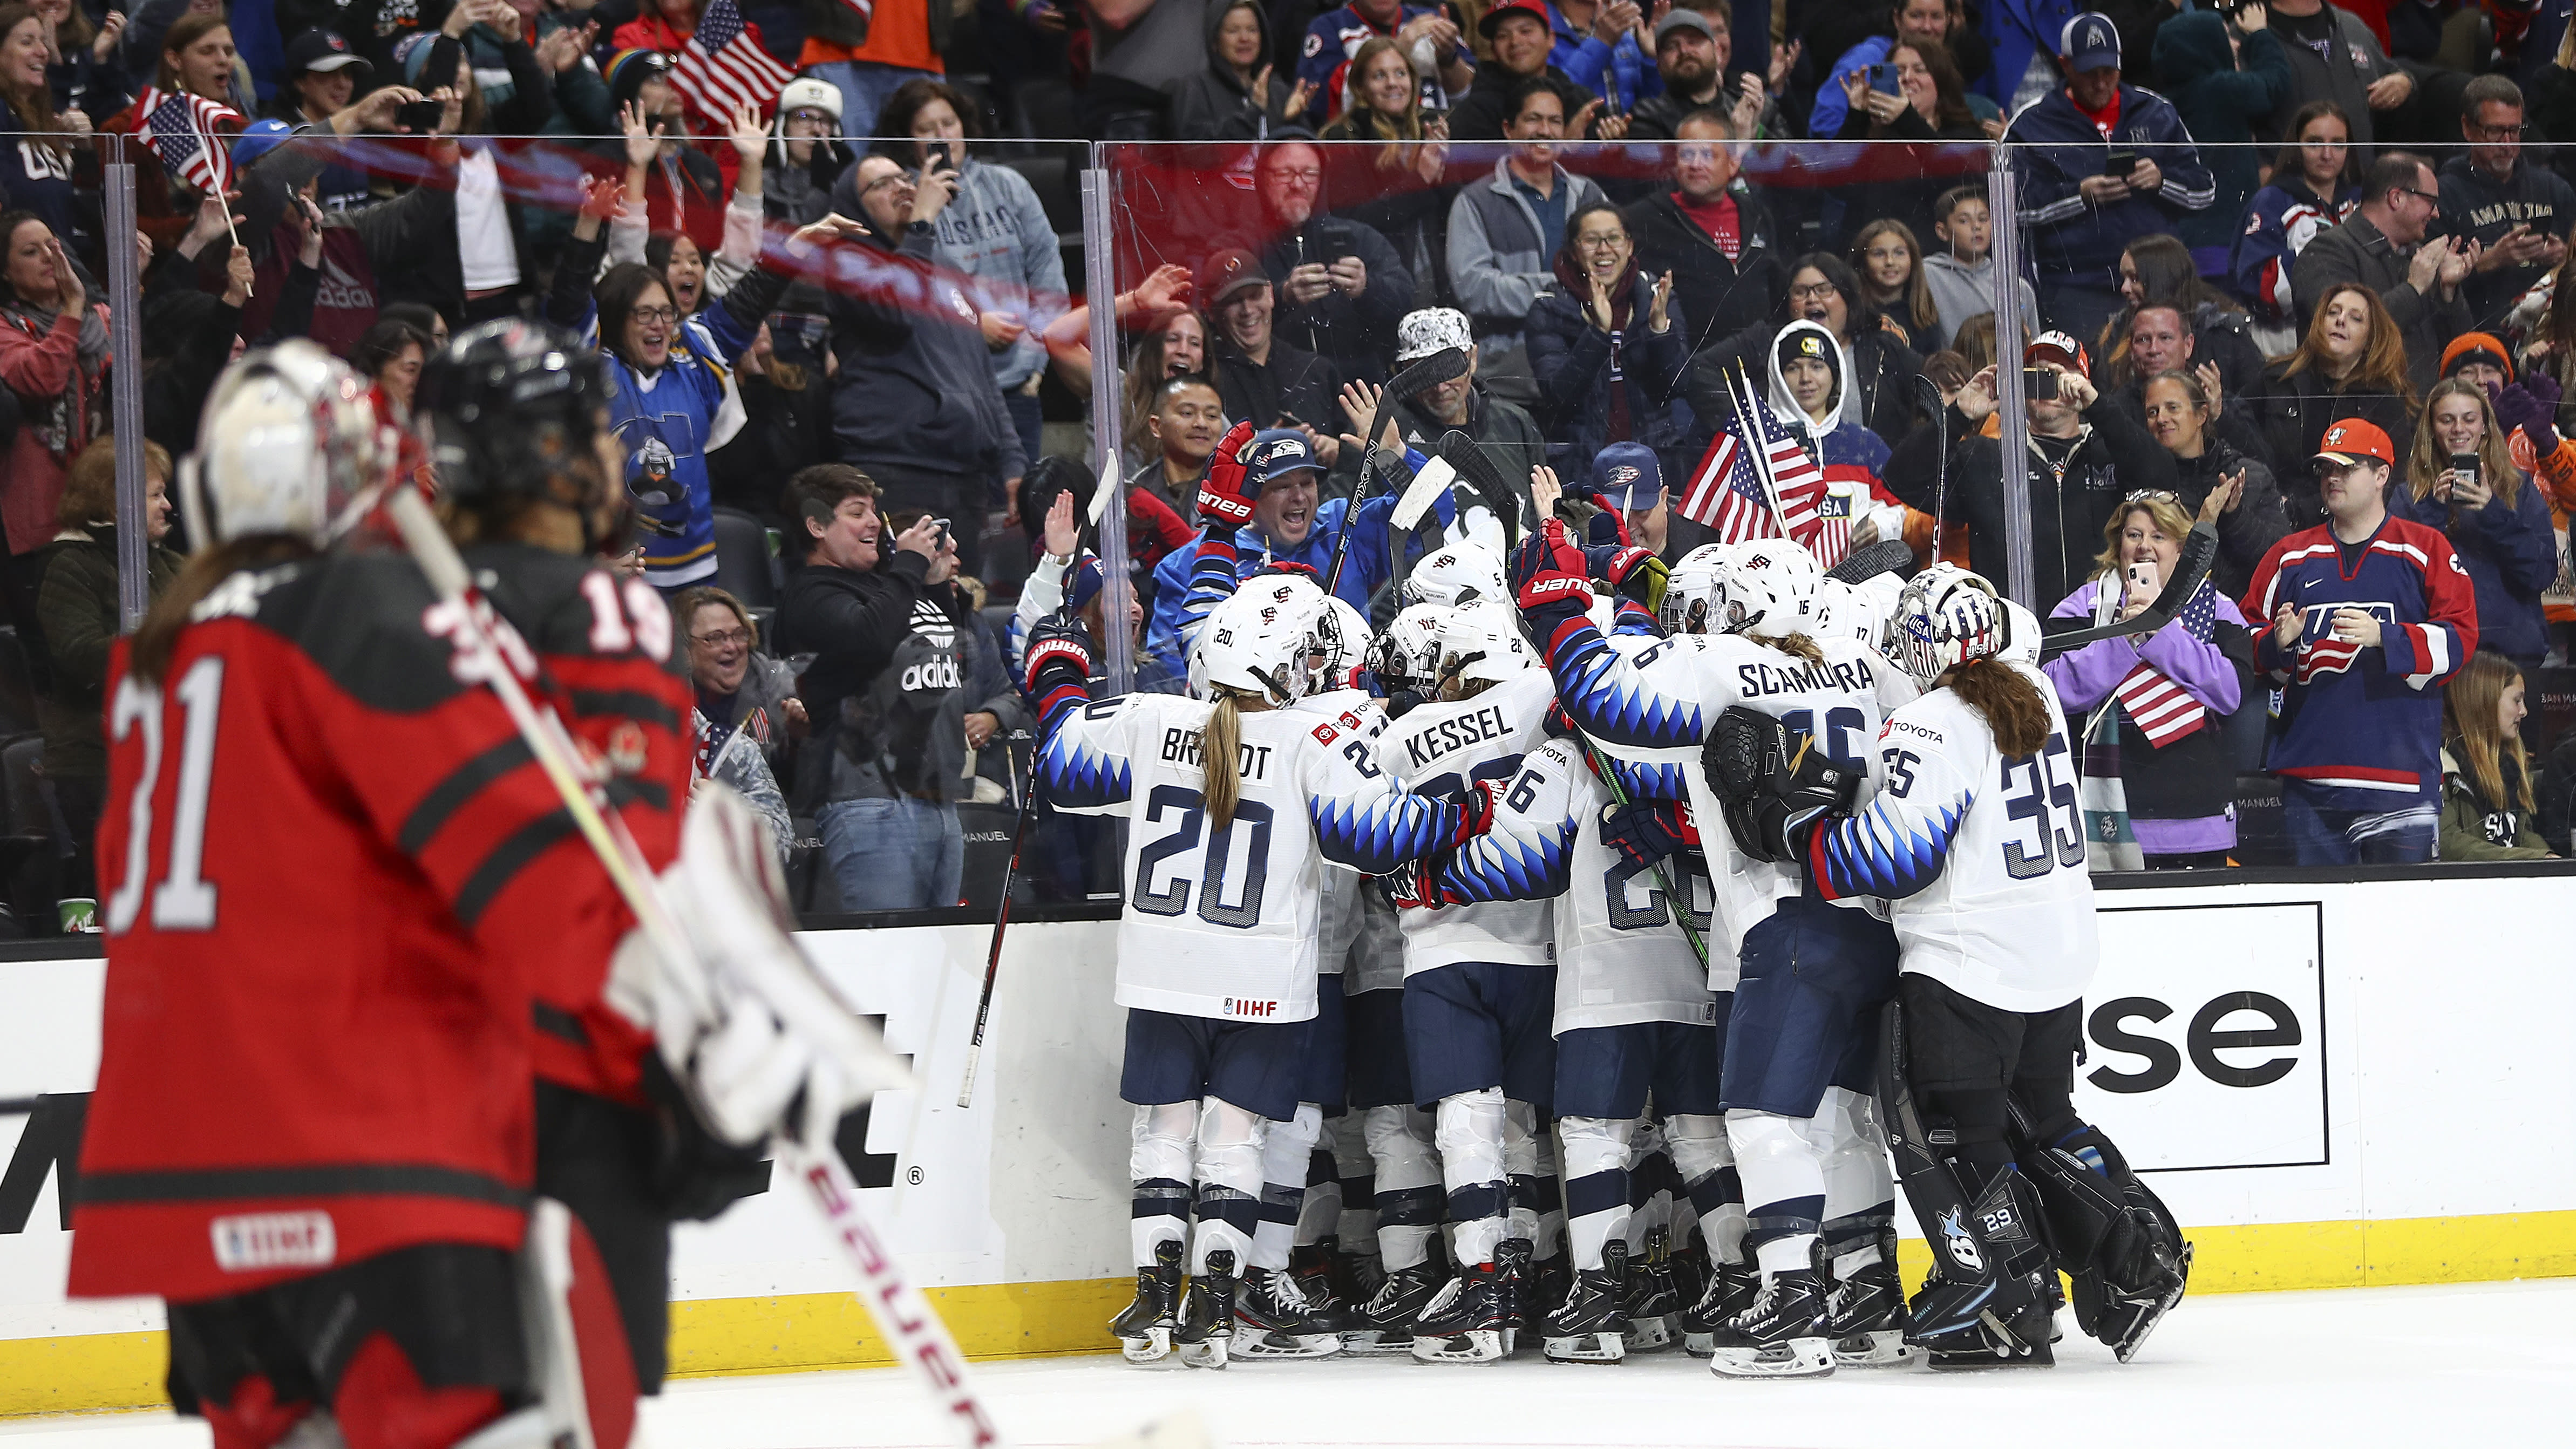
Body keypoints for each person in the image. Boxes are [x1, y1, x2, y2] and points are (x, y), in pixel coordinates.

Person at [71, 334, 876, 1449]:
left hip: (181, 1172)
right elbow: (538, 886)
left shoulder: (155, 662)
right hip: (358, 1152)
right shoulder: (365, 621)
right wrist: (691, 1025)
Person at [1022, 467, 1485, 1364]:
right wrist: (1462, 810)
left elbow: (1062, 765)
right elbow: (1376, 835)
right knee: (1234, 1141)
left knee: (1161, 1135)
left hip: (1162, 969)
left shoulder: (1156, 718)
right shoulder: (1315, 736)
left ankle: (1156, 1301)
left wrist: (1054, 659)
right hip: (1265, 979)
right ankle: (1216, 1307)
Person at [1506, 533, 1922, 1377]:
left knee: (1766, 1122)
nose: (1684, 624)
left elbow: (1605, 699)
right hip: (1874, 922)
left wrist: (1551, 601)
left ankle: (1792, 1304)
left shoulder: (1720, 663)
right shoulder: (1857, 665)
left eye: (1694, 610)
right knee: (1841, 1119)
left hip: (1784, 925)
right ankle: (1867, 1290)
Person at [1768, 564, 2190, 1365]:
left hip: (1971, 961)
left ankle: (2006, 1291)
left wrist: (1798, 833)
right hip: (2054, 952)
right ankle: (2136, 1254)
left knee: (1957, 1132)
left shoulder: (1932, 721)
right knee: (2043, 1119)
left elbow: (1895, 858)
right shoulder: (2029, 686)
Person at [2240, 417, 2479, 866]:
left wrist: (2386, 637)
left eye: (2346, 468)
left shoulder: (2425, 549)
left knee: (2400, 929)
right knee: (2318, 930)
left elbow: (2461, 638)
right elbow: (2239, 640)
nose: (2331, 478)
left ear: (2381, 475)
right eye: (2325, 469)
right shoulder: (2289, 556)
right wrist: (2276, 644)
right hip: (2310, 783)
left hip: (2401, 786)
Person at [773, 462, 971, 910]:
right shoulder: (811, 594)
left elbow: (952, 656)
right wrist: (910, 567)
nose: (874, 522)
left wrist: (935, 584)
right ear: (817, 525)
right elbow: (871, 637)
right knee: (891, 961)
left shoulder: (890, 589)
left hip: (937, 797)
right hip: (869, 802)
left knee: (944, 963)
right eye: (857, 511)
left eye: (874, 510)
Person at [824, 152, 1028, 580]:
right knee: (905, 605)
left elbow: (983, 378)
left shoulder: (947, 270)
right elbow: (896, 309)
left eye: (903, 177)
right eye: (881, 184)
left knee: (959, 605)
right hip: (897, 472)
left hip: (965, 477)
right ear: (853, 207)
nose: (901, 187)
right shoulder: (847, 263)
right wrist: (921, 225)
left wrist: (1011, 464)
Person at [1885, 332, 2178, 612]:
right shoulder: (1988, 457)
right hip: (2014, 639)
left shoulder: (2112, 452)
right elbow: (1902, 478)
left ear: (2082, 382)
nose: (2048, 384)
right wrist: (1960, 414)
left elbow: (2163, 478)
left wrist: (2098, 408)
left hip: (2099, 629)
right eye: (2037, 375)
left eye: (2060, 374)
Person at [2043, 492, 2252, 869]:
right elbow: (2049, 690)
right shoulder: (2082, 606)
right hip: (2107, 819)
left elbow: (2230, 691)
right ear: (2117, 543)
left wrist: (2161, 635)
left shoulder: (2218, 607)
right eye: (2133, 535)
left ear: (2181, 548)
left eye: (2159, 536)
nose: (2144, 548)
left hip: (2196, 817)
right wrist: (2124, 638)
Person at [878, 78, 1070, 474]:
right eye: (926, 129)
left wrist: (1036, 366)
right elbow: (900, 292)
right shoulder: (898, 200)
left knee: (1018, 512)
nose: (941, 137)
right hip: (944, 391)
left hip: (1017, 383)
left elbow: (1047, 272)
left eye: (948, 124)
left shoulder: (1009, 186)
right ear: (906, 139)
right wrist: (970, 326)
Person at [2003, 12, 2214, 352]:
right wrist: (2080, 195)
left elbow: (2204, 192)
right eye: (2090, 73)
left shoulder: (2156, 111)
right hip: (2078, 284)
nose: (2101, 83)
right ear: (2065, 65)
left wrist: (2162, 181)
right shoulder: (2032, 124)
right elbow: (2010, 210)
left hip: (2158, 279)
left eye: (2109, 72)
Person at [30, 437, 176, 928]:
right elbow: (80, 654)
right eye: (156, 494)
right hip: (94, 759)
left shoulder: (171, 567)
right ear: (117, 502)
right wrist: (166, 650)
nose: (168, 505)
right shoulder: (69, 567)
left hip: (167, 751)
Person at [1145, 421, 1453, 640]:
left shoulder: (1343, 526)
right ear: (1249, 494)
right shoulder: (1189, 565)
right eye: (1281, 487)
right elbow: (1168, 668)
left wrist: (1395, 456)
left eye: (1307, 483)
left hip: (1350, 714)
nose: (1299, 497)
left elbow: (1435, 515)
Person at [2388, 379, 2558, 677]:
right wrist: (2433, 512)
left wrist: (2494, 512)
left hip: (2511, 658)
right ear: (2431, 428)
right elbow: (2395, 579)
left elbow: (2541, 574)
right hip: (2439, 657)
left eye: (2469, 419)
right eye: (2446, 420)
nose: (2459, 429)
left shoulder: (2518, 489)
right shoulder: (2409, 496)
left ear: (2485, 427)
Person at [2290, 149, 2473, 395]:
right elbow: (2339, 336)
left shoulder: (2418, 258)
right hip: (2353, 415)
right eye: (2431, 202)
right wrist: (2413, 290)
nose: (2436, 213)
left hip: (2420, 421)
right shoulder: (2328, 252)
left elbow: (2462, 351)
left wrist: (2448, 291)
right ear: (2396, 198)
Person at [1695, 254, 1921, 452]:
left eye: (1824, 289)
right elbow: (1701, 371)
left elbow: (1931, 380)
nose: (1812, 299)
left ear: (1847, 297)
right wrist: (1749, 429)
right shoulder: (1765, 339)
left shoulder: (1883, 348)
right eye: (1800, 292)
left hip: (1867, 478)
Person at [1526, 202, 1689, 473]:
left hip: (1655, 461)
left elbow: (1678, 386)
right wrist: (1599, 334)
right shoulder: (1549, 309)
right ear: (1574, 252)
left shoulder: (1657, 299)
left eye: (1613, 238)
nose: (1604, 249)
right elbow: (1560, 397)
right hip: (1583, 466)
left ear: (1629, 246)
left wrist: (1660, 330)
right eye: (1591, 240)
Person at [1623, 108, 1789, 360]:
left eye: (1708, 154)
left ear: (1733, 164)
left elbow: (1777, 287)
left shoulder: (1757, 214)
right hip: (1686, 367)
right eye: (1687, 154)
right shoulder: (1643, 220)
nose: (1696, 165)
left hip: (1759, 363)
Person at [2252, 282, 2419, 526]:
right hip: (2271, 515)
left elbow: (2389, 483)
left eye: (2355, 319)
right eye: (2333, 312)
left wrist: (2304, 510)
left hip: (2345, 524)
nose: (2341, 321)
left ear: (2370, 339)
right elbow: (2250, 447)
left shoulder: (2384, 401)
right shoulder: (2277, 379)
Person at [1250, 139, 1415, 383]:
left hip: (1361, 386)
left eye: (1309, 174)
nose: (1297, 184)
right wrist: (1283, 297)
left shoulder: (1360, 236)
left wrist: (1367, 288)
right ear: (1263, 179)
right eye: (1285, 174)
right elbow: (1226, 319)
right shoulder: (1245, 244)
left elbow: (1407, 299)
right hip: (1275, 383)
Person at [0, 212, 106, 556]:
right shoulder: (5, 328)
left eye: (52, 245)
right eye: (30, 252)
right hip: (39, 514)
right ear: (5, 271)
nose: (48, 257)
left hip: (100, 505)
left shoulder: (97, 319)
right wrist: (72, 305)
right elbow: (43, 378)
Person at [1766, 318, 1908, 569]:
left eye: (1817, 366)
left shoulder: (1864, 444)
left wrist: (1880, 526)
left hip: (1857, 583)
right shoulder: (1761, 443)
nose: (1806, 378)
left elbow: (1897, 507)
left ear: (1835, 373)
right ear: (1777, 376)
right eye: (1793, 368)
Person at [1384, 306, 1547, 523]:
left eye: (1451, 368)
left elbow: (1543, 515)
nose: (1441, 387)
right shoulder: (1386, 433)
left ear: (1473, 359)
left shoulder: (1516, 424)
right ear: (1404, 370)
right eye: (1424, 372)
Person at [2440, 74, 2576, 335]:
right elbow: (2429, 289)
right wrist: (2492, 260)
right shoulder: (2444, 194)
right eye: (2495, 131)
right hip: (2476, 341)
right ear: (2467, 128)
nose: (2507, 144)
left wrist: (2564, 258)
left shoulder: (2554, 189)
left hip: (2549, 334)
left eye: (2515, 131)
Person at [2138, 369, 2290, 600]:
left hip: (2248, 617)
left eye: (2173, 408)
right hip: (2175, 619)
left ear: (2201, 415)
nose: (2161, 419)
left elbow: (2282, 558)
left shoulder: (2248, 475)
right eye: (2152, 412)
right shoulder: (2146, 487)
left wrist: (2235, 515)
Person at [2150, 4, 2290, 254]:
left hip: (2188, 237)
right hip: (2225, 238)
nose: (2235, 44)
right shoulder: (2218, 90)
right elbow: (2275, 84)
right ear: (2203, 48)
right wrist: (2259, 35)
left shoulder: (2166, 100)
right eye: (2225, 38)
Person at [674, 585, 802, 858]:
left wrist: (730, 816)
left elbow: (781, 839)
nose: (731, 647)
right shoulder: (622, 745)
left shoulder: (736, 748)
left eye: (738, 634)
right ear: (683, 651)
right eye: (715, 638)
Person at [2234, 100, 2361, 340]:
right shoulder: (2271, 201)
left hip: (2352, 342)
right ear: (2296, 145)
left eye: (2338, 145)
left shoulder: (2362, 202)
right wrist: (2329, 245)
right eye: (2314, 143)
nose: (2327, 155)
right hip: (2286, 342)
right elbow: (2257, 287)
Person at [1201, 248, 1341, 442]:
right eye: (1234, 301)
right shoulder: (1203, 381)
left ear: (1270, 295)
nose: (1248, 310)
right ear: (1210, 310)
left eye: (1255, 296)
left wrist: (1337, 452)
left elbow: (1359, 448)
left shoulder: (1317, 370)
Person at [1810, 0, 1990, 139]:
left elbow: (1948, 169)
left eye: (1920, 70)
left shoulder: (1966, 136)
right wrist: (1857, 116)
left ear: (1941, 79)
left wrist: (1906, 117)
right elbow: (1839, 177)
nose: (1907, 77)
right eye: (1898, 71)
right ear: (1898, 18)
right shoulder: (1868, 57)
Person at [2256, 0, 2411, 160]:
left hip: (2359, 176)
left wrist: (2404, 82)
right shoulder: (2251, 35)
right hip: (2290, 179)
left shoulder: (2352, 26)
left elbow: (2391, 72)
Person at [2439, 651, 2554, 860]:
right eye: (2516, 701)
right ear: (2485, 702)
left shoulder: (2511, 763)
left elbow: (2521, 835)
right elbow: (2447, 842)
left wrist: (2548, 859)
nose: (2524, 711)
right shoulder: (2444, 766)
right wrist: (2528, 860)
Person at [1292, 0, 1474, 126]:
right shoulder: (1327, 28)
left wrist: (1448, 58)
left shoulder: (1431, 20)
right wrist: (1401, 45)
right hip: (1365, 149)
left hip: (1439, 142)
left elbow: (1472, 98)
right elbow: (1323, 105)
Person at [1919, 182, 2037, 353]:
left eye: (1983, 219)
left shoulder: (2017, 287)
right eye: (1964, 220)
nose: (1976, 226)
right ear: (1942, 231)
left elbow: (2033, 351)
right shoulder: (1926, 275)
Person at [0, 6, 80, 247]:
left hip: (61, 263)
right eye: (27, 42)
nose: (43, 52)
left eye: (44, 43)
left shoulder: (47, 121)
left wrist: (85, 150)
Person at [1628, 7, 1767, 143]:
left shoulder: (1749, 107)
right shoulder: (1647, 116)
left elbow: (1782, 162)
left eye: (1694, 41)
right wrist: (1738, 141)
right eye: (1672, 46)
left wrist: (1755, 130)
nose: (1684, 51)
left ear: (1718, 52)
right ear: (1659, 65)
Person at [1170, 0, 1306, 139]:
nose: (1244, 38)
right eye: (1233, 31)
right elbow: (1195, 150)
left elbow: (1308, 153)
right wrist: (1254, 112)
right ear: (1215, 40)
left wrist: (1292, 121)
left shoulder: (1279, 91)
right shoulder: (1195, 89)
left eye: (1252, 30)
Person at [1448, 0, 1581, 141]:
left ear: (1551, 38)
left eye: (1526, 31)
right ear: (1493, 49)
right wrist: (1565, 150)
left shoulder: (1580, 103)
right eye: (1503, 36)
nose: (1515, 42)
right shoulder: (1473, 113)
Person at [762, 77, 854, 226]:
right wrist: (820, 190)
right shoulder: (761, 184)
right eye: (804, 117)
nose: (816, 130)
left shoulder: (846, 188)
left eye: (825, 121)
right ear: (784, 127)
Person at [1850, 219, 1938, 352]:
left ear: (1912, 260)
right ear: (1863, 263)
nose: (1890, 262)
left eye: (1899, 253)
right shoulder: (1852, 315)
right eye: (1879, 254)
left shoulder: (1924, 316)